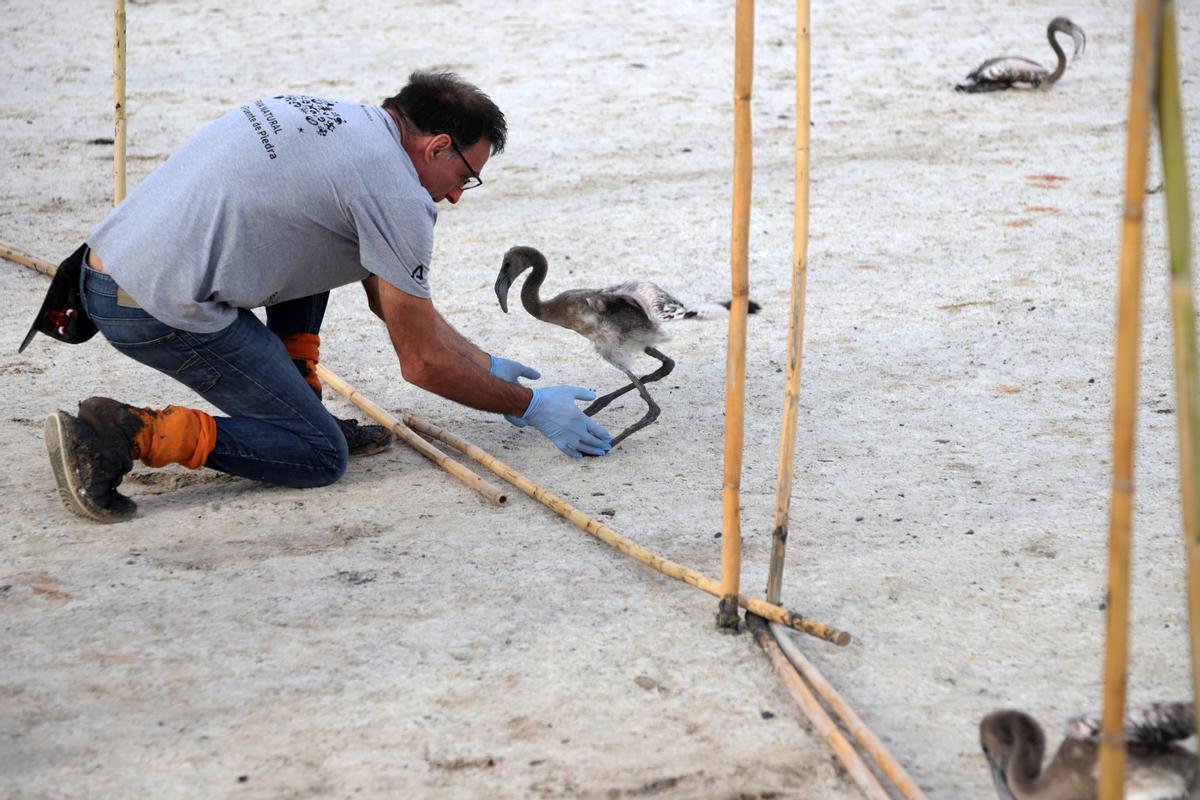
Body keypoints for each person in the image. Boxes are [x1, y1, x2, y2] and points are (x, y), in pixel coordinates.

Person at [38, 71, 612, 524]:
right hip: (152, 308)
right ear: (438, 146)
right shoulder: (396, 196)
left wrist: (484, 365)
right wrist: (524, 405)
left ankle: (300, 400)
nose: (458, 197)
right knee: (315, 455)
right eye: (466, 176)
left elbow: (388, 297)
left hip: (106, 263)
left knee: (329, 246)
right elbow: (421, 363)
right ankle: (124, 434)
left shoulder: (332, 118)